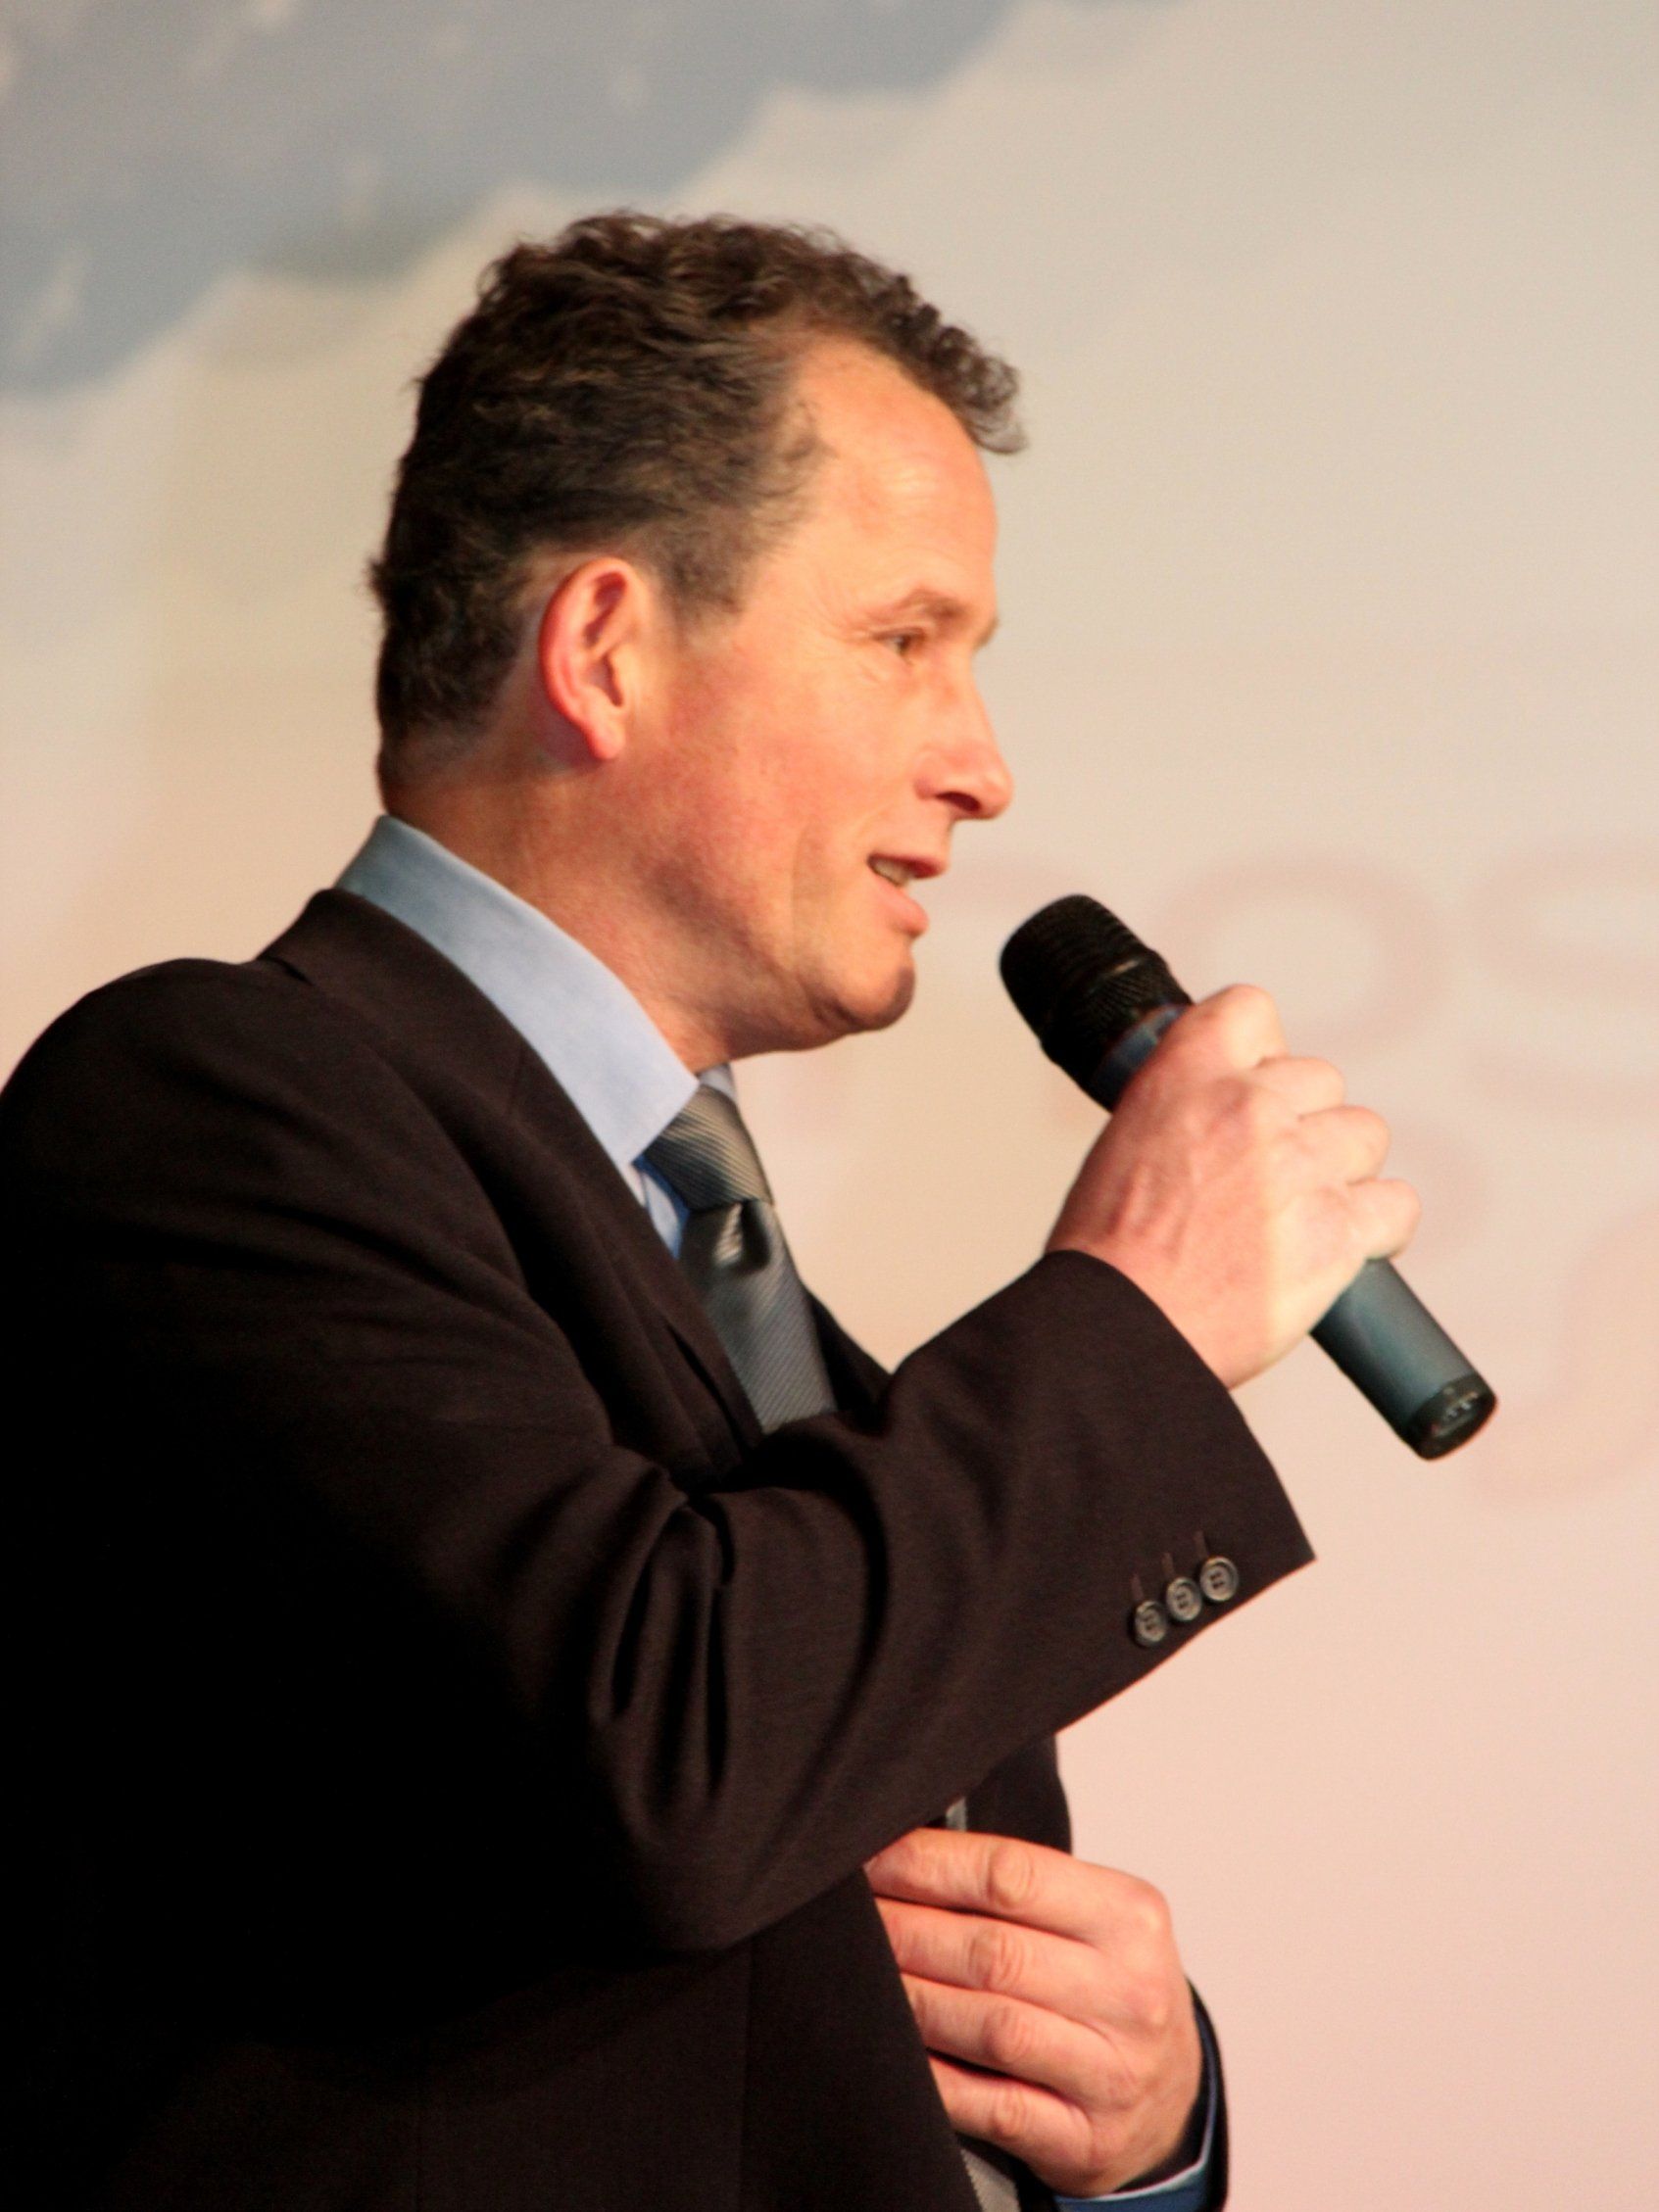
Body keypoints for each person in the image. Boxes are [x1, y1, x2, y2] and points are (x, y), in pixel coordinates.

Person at [4, 215, 1416, 2211]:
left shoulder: (761, 1321)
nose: (984, 765)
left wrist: (1132, 2133)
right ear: (603, 650)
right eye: (903, 640)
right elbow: (662, 1756)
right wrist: (1137, 1311)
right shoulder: (210, 1106)